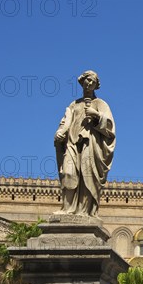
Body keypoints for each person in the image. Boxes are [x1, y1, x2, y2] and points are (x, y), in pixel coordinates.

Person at [54, 70, 116, 217]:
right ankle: (67, 209)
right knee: (68, 173)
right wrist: (60, 132)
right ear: (82, 82)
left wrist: (96, 116)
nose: (89, 83)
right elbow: (66, 121)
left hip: (90, 146)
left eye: (92, 81)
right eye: (87, 80)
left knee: (88, 178)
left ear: (96, 85)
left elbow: (110, 127)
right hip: (72, 143)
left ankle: (84, 211)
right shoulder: (74, 104)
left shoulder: (100, 104)